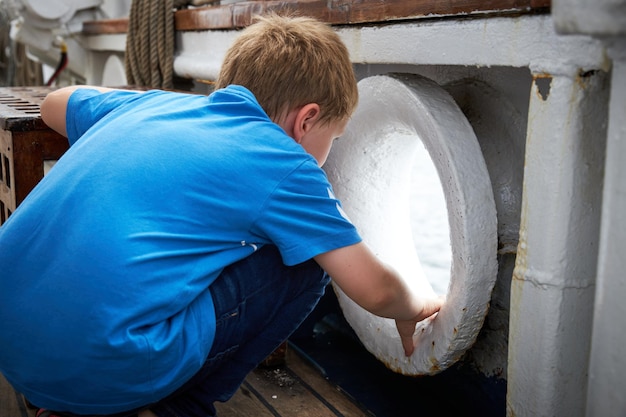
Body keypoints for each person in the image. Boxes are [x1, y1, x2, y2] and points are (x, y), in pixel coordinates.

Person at [0, 14, 443, 417]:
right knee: (308, 262)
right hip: (106, 367)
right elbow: (375, 288)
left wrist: (141, 107)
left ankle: (70, 402)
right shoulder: (286, 163)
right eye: (334, 137)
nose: (326, 156)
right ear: (306, 121)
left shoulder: (152, 106)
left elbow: (53, 103)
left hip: (14, 351)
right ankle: (174, 407)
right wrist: (417, 306)